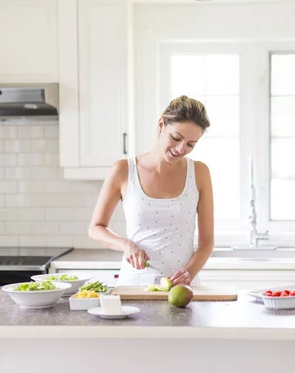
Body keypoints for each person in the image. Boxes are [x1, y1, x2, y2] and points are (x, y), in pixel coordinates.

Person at [88, 95, 214, 286]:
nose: (181, 149)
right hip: (135, 286)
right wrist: (126, 245)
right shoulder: (123, 170)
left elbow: (206, 241)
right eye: (176, 137)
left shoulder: (199, 173)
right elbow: (96, 228)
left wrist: (188, 274)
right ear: (161, 125)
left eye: (190, 144)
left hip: (183, 291)